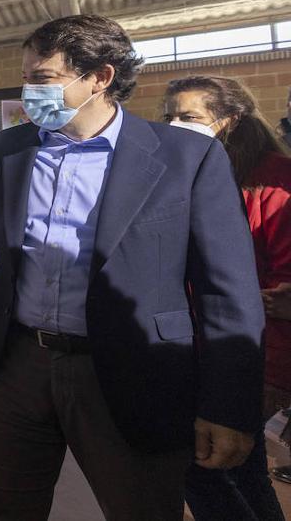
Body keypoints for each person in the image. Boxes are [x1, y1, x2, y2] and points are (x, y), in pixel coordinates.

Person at [0, 15, 265, 521]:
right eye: (26, 77)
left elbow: (228, 291)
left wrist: (227, 405)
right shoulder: (9, 150)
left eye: (42, 78)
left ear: (100, 78)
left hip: (130, 371)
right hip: (19, 366)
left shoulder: (187, 157)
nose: (29, 91)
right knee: (4, 509)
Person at [165, 75, 291, 521]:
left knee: (206, 470)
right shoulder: (188, 174)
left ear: (230, 121)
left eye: (190, 117)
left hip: (245, 360)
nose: (176, 126)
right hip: (194, 351)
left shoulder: (273, 180)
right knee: (244, 472)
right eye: (170, 117)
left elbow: (280, 293)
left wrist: (270, 377)